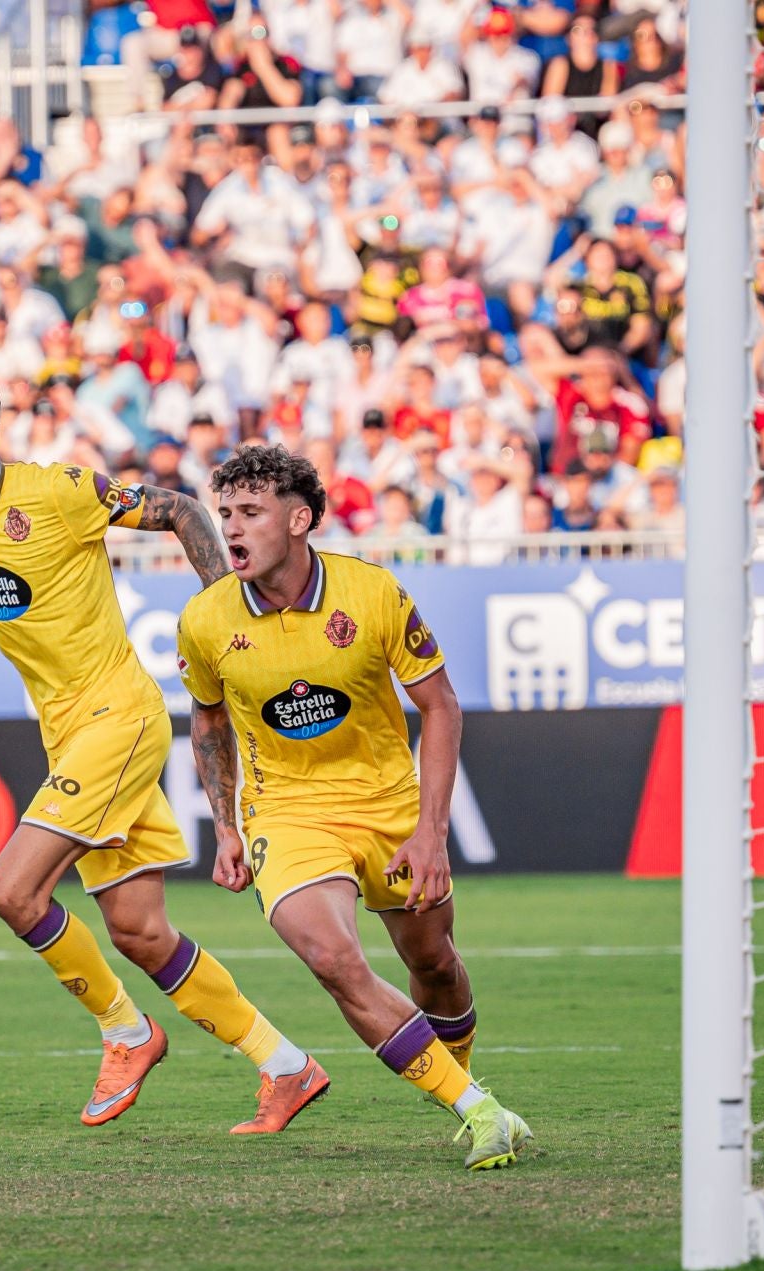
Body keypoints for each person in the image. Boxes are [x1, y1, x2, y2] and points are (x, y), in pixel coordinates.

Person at [0, 361, 325, 1136]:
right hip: (69, 734)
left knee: (12, 889)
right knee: (139, 931)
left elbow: (184, 509)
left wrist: (232, 609)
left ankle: (127, 1032)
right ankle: (286, 1065)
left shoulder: (56, 492)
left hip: (118, 717)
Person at [177, 444, 533, 1171]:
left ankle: (460, 1077)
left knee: (432, 962)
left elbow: (441, 706)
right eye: (225, 515)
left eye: (251, 512)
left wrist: (432, 832)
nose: (232, 530)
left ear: (300, 519)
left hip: (389, 805)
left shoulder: (371, 592)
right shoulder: (206, 620)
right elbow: (208, 721)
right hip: (288, 814)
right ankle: (476, 1107)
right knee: (334, 956)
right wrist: (228, 825)